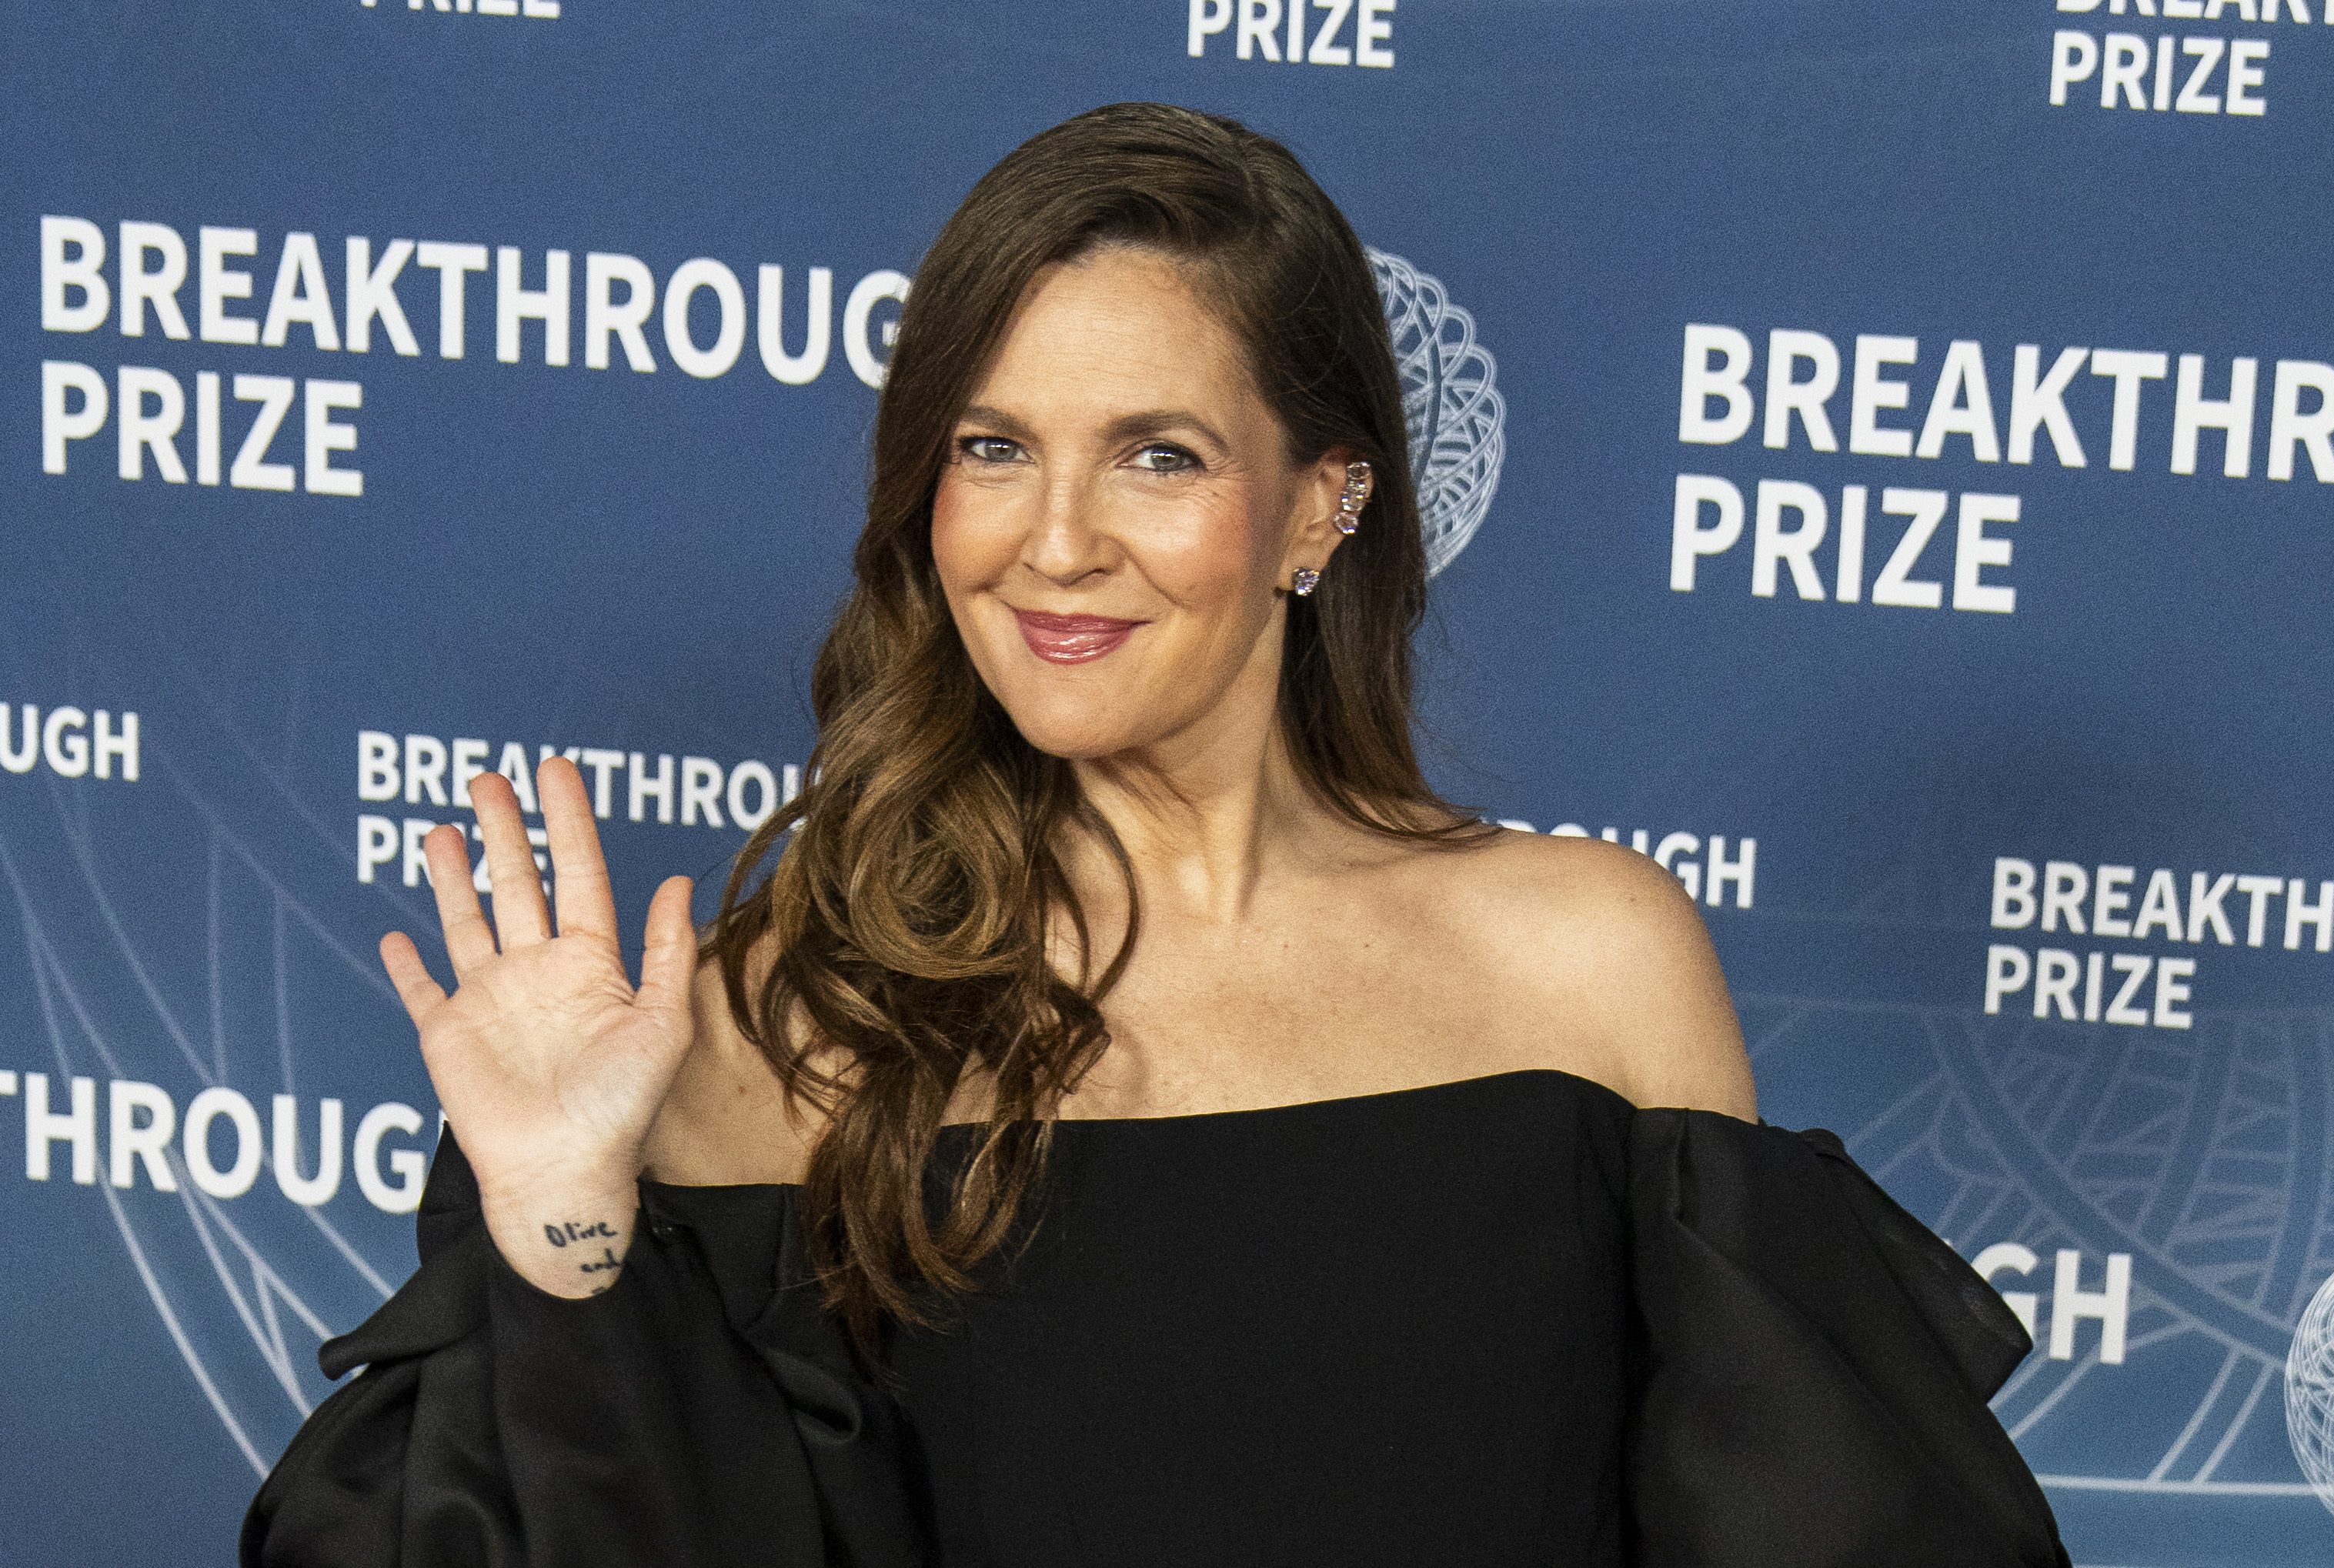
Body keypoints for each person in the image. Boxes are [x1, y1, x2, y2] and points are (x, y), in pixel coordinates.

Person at [243, 103, 2071, 1567]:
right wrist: (565, 1219)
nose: (1050, 542)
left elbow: (1823, 1523)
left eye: (1157, 455)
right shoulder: (780, 1016)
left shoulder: (1584, 958)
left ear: (1319, 501)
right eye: (988, 446)